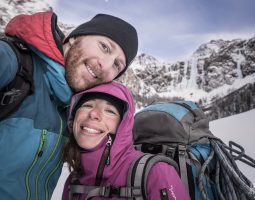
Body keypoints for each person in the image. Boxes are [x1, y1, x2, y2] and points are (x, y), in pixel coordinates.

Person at [0, 11, 138, 199]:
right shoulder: (13, 62)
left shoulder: (74, 110)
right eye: (104, 47)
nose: (106, 66)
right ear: (73, 39)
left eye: (117, 65)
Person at [62, 82, 190, 200]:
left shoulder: (157, 172)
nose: (94, 114)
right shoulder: (73, 181)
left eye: (110, 111)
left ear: (123, 126)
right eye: (87, 105)